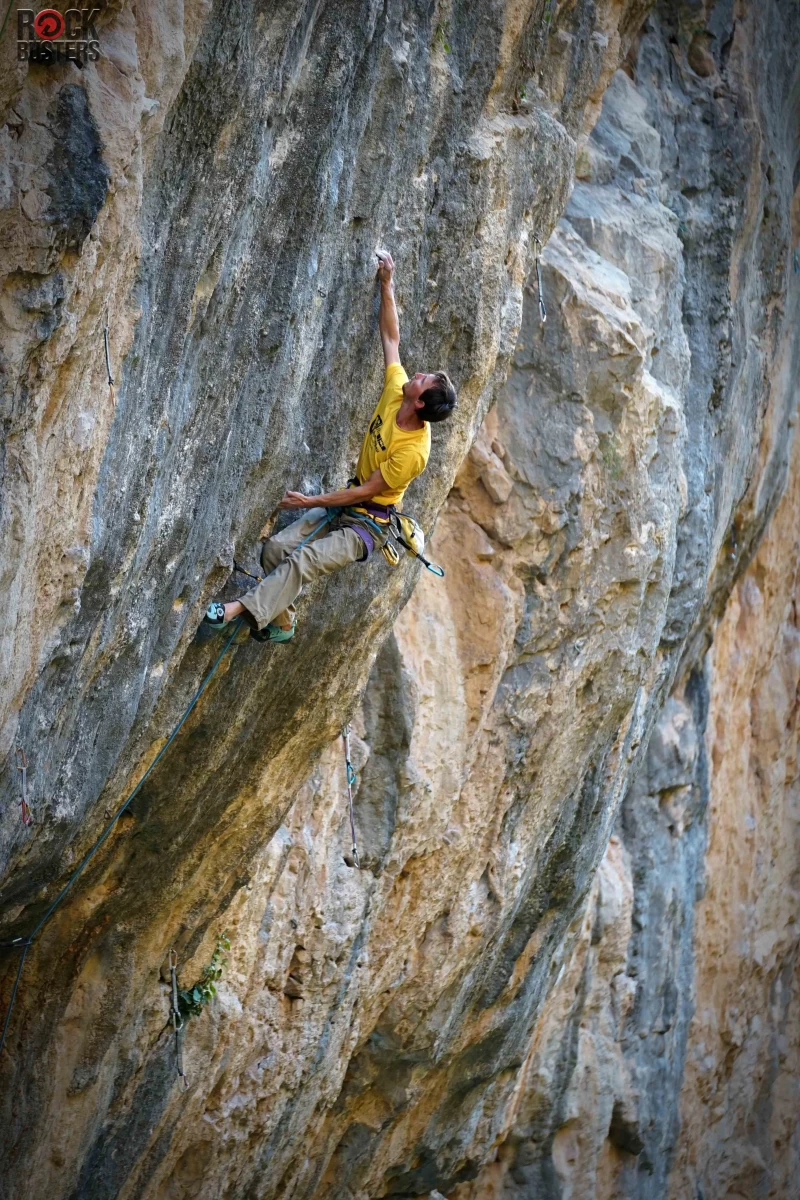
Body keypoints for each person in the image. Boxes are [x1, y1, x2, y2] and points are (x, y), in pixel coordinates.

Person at [204, 251, 457, 642]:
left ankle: (236, 609)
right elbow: (391, 337)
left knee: (303, 559)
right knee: (275, 551)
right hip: (349, 502)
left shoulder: (413, 451)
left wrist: (309, 502)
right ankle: (283, 623)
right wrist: (387, 283)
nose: (416, 373)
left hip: (366, 525)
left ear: (420, 402)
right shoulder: (396, 391)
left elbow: (367, 491)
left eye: (422, 380)